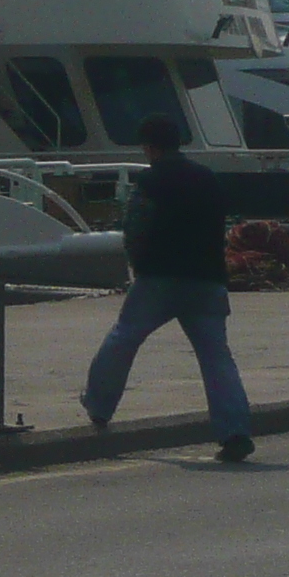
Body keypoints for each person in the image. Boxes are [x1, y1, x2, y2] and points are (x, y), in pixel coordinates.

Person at [83, 115, 254, 461]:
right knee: (216, 357)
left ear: (149, 147)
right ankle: (234, 430)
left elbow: (136, 226)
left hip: (160, 278)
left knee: (124, 338)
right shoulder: (207, 179)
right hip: (206, 279)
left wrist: (138, 266)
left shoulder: (151, 179)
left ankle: (99, 406)